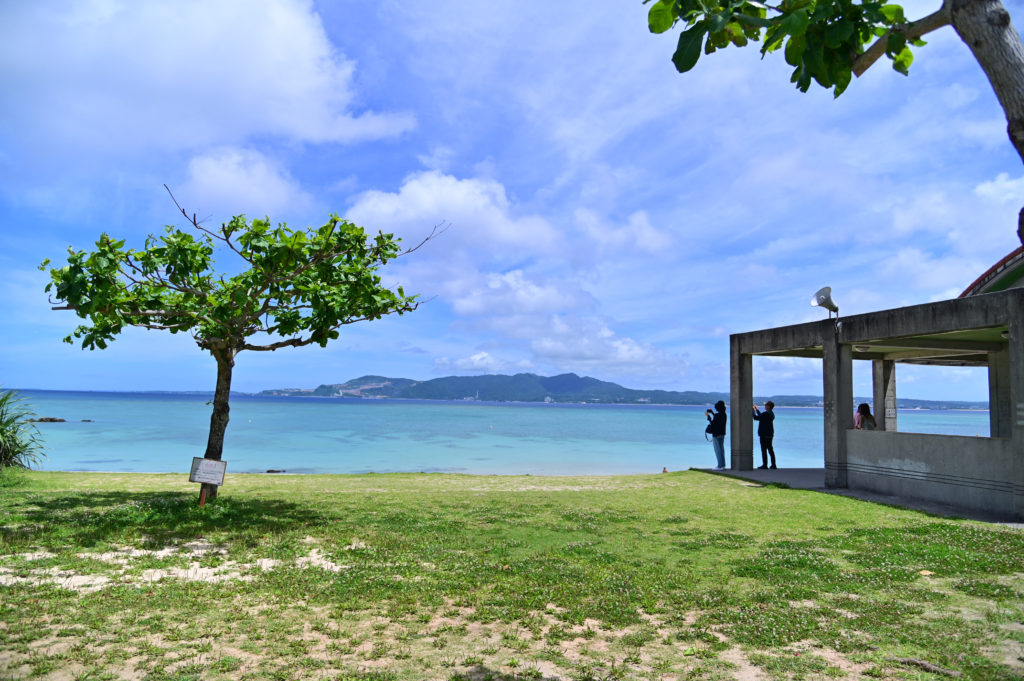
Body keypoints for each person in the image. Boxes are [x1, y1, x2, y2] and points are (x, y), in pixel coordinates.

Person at [752, 400, 776, 469]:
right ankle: (773, 465)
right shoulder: (771, 414)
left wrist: (752, 411)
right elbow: (761, 416)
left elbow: (756, 418)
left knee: (764, 450)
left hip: (764, 434)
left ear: (768, 406)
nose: (765, 406)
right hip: (770, 433)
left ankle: (765, 465)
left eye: (765, 405)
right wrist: (756, 410)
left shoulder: (766, 414)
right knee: (770, 449)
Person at [705, 400, 727, 470]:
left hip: (716, 434)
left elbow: (713, 424)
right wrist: (712, 413)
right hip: (722, 433)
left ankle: (720, 466)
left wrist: (709, 417)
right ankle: (723, 465)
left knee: (718, 450)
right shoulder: (724, 414)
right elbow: (717, 420)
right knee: (721, 450)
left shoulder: (717, 415)